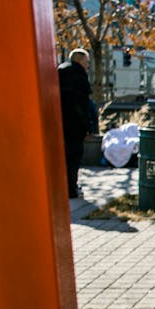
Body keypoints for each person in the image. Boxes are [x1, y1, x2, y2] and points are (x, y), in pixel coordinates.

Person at [57, 47, 94, 198]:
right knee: (73, 157)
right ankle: (71, 189)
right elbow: (82, 105)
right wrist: (88, 127)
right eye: (87, 62)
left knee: (62, 157)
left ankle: (61, 187)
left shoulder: (59, 71)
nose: (88, 65)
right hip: (74, 125)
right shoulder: (79, 77)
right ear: (79, 60)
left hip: (58, 121)